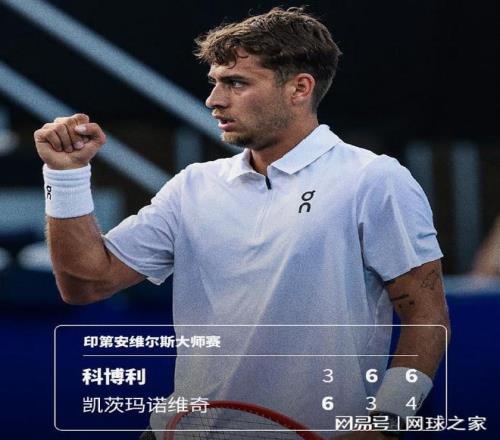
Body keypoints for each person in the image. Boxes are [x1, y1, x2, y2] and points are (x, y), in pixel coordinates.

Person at [34, 7, 450, 439]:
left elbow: (427, 314)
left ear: (299, 88)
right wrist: (66, 176)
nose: (214, 99)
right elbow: (86, 284)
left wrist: (387, 423)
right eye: (215, 81)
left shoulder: (374, 179)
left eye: (236, 82)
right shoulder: (193, 185)